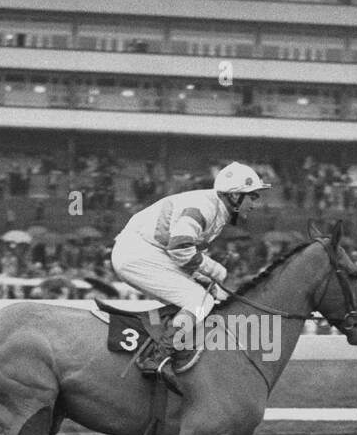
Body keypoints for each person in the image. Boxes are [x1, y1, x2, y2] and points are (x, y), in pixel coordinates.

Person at [110, 161, 269, 391]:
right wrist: (215, 271)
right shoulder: (204, 206)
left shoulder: (217, 211)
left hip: (148, 251)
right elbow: (180, 248)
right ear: (235, 196)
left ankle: (167, 347)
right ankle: (157, 357)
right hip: (139, 252)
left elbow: (187, 255)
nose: (255, 204)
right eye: (252, 196)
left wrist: (211, 280)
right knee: (199, 300)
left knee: (209, 296)